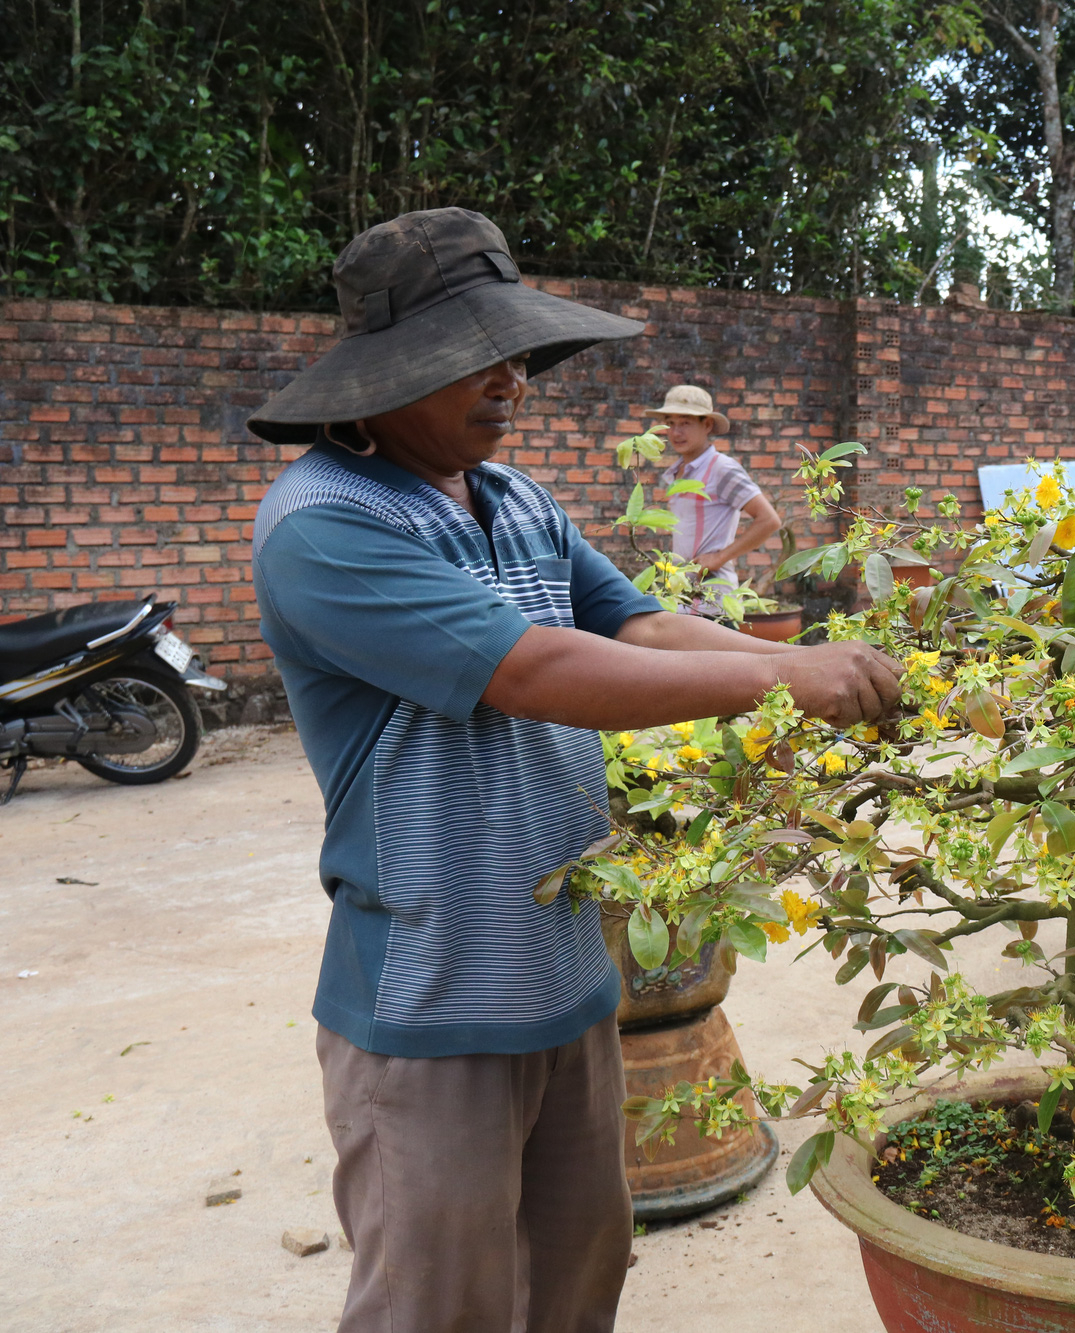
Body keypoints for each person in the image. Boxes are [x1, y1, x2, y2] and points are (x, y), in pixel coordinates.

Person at [246, 207, 902, 1333]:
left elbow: (641, 630)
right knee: (438, 1307)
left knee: (577, 1280)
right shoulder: (325, 522)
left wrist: (811, 662)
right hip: (433, 997)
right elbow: (533, 669)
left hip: (566, 977)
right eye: (472, 358)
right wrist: (790, 682)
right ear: (383, 376)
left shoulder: (515, 501)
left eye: (516, 354)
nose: (509, 379)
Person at [645, 384, 781, 615]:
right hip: (681, 595)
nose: (676, 432)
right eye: (671, 423)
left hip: (713, 600)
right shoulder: (678, 471)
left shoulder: (721, 469)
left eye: (685, 423)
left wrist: (719, 557)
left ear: (707, 424)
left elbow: (769, 520)